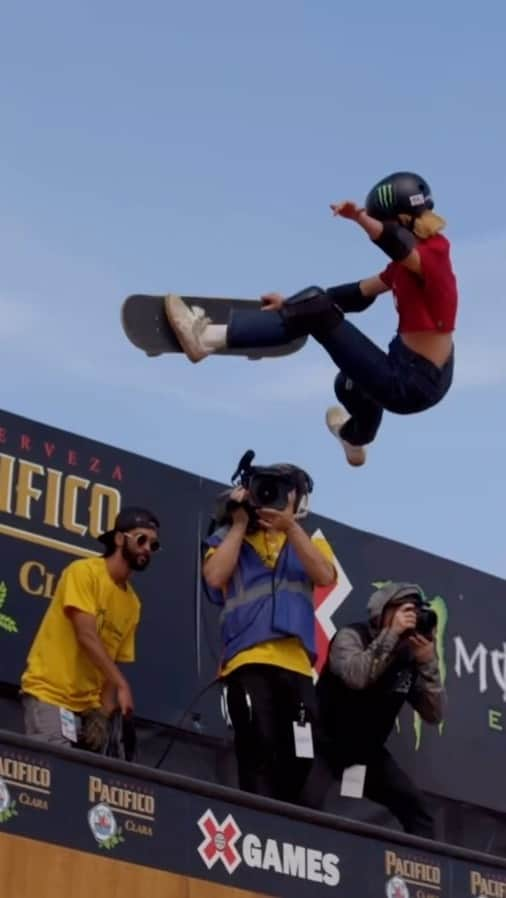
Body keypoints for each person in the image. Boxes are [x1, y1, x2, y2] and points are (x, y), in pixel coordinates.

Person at [165, 171, 458, 467]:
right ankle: (354, 441)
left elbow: (395, 242)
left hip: (413, 382)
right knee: (348, 385)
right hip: (411, 369)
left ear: (403, 221)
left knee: (318, 309)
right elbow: (358, 293)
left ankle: (205, 338)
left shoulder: (435, 253)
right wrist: (292, 306)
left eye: (387, 223)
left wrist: (359, 218)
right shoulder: (403, 267)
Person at [203, 455, 336, 803]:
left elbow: (325, 576)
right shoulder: (226, 537)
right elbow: (215, 577)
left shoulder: (306, 540)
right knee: (255, 750)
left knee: (302, 759)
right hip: (247, 663)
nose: (271, 497)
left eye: (280, 492)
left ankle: (293, 833)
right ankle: (259, 828)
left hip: (296, 667)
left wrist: (290, 527)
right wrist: (237, 523)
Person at [305, 582, 446, 838]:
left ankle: (420, 871)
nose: (413, 618)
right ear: (383, 611)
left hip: (365, 753)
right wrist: (390, 635)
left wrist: (428, 662)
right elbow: (357, 677)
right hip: (322, 741)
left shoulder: (410, 657)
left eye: (417, 611)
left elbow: (433, 714)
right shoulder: (351, 636)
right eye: (407, 610)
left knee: (420, 813)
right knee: (305, 803)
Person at [20, 506, 160, 752]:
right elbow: (86, 635)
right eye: (141, 539)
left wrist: (103, 715)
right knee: (57, 771)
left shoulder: (132, 604)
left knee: (83, 784)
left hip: (85, 710)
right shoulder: (83, 572)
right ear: (119, 539)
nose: (147, 548)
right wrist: (123, 685)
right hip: (49, 696)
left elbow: (111, 663)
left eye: (153, 545)